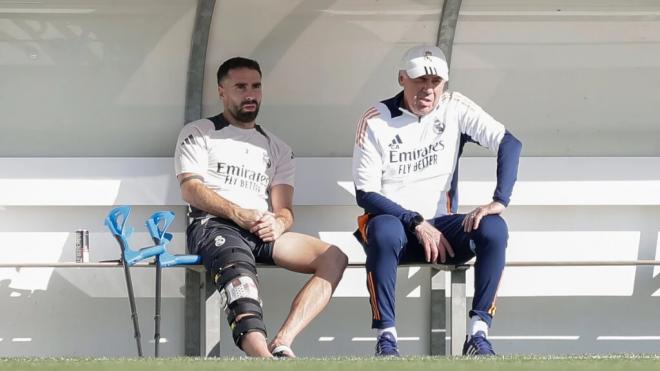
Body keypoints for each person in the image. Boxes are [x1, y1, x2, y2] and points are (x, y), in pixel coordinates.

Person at [352, 45, 522, 357]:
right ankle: (386, 338)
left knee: (494, 228)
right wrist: (415, 222)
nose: (428, 89)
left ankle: (478, 335)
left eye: (436, 81)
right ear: (402, 78)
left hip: (442, 231)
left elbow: (509, 142)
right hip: (393, 229)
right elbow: (365, 194)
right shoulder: (376, 118)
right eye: (420, 80)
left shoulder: (454, 106)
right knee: (386, 229)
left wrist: (499, 200)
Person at [175, 57, 348, 358]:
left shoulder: (277, 147)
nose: (250, 94)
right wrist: (238, 213)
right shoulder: (199, 132)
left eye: (256, 86)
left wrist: (279, 223)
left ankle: (282, 342)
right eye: (240, 87)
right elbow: (190, 189)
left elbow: (285, 209)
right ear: (222, 92)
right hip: (215, 224)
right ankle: (262, 359)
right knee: (239, 270)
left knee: (333, 258)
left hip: (260, 228)